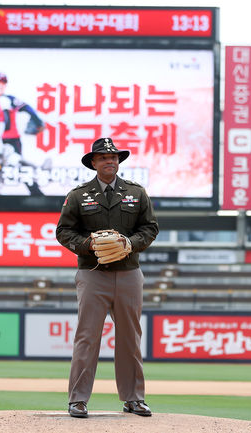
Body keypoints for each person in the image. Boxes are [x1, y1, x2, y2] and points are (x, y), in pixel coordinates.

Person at [56, 137, 159, 419]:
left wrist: (130, 243)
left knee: (130, 338)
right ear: (93, 162)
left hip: (129, 272)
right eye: (103, 157)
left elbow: (150, 228)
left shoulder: (136, 193)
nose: (109, 161)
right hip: (93, 274)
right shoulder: (78, 195)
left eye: (113, 157)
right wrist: (88, 244)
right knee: (87, 337)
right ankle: (77, 400)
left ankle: (133, 399)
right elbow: (63, 232)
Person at [0, 72, 45, 155]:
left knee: (14, 165)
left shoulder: (8, 99)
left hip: (10, 141)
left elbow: (27, 108)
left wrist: (38, 123)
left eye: (4, 82)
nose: (1, 85)